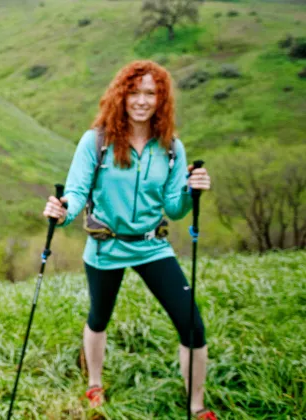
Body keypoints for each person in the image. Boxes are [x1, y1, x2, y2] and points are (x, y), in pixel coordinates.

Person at [42, 60, 216, 419]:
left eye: (150, 93)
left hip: (152, 246)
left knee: (192, 325)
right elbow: (75, 191)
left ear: (161, 99)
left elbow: (174, 206)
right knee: (99, 317)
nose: (141, 100)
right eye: (134, 92)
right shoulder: (97, 141)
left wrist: (190, 191)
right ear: (120, 96)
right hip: (106, 247)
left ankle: (197, 407)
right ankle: (94, 382)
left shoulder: (170, 147)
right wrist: (62, 211)